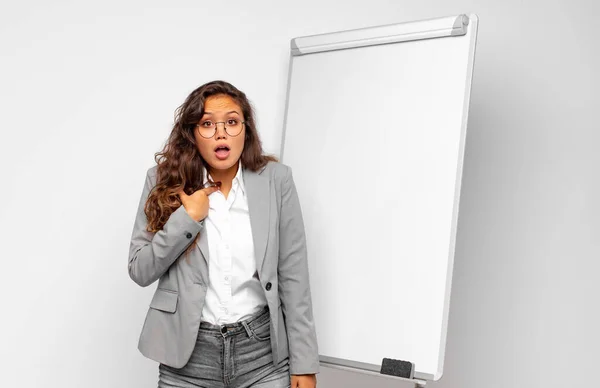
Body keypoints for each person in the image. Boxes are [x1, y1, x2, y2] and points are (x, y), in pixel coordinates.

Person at [127, 80, 319, 388]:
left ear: (246, 130)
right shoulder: (162, 181)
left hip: (262, 356)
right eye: (207, 124)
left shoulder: (277, 181)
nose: (221, 133)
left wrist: (304, 363)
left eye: (231, 122)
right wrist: (187, 219)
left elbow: (294, 278)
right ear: (192, 134)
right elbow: (140, 269)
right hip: (187, 360)